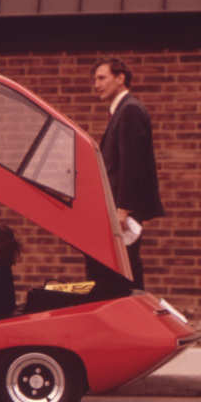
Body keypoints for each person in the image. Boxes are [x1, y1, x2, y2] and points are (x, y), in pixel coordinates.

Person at [86, 57, 164, 290]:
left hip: (122, 212)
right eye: (95, 79)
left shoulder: (129, 110)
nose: (96, 84)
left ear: (120, 78)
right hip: (119, 209)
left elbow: (133, 163)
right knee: (121, 270)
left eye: (102, 78)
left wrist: (123, 209)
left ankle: (133, 319)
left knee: (124, 273)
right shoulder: (122, 110)